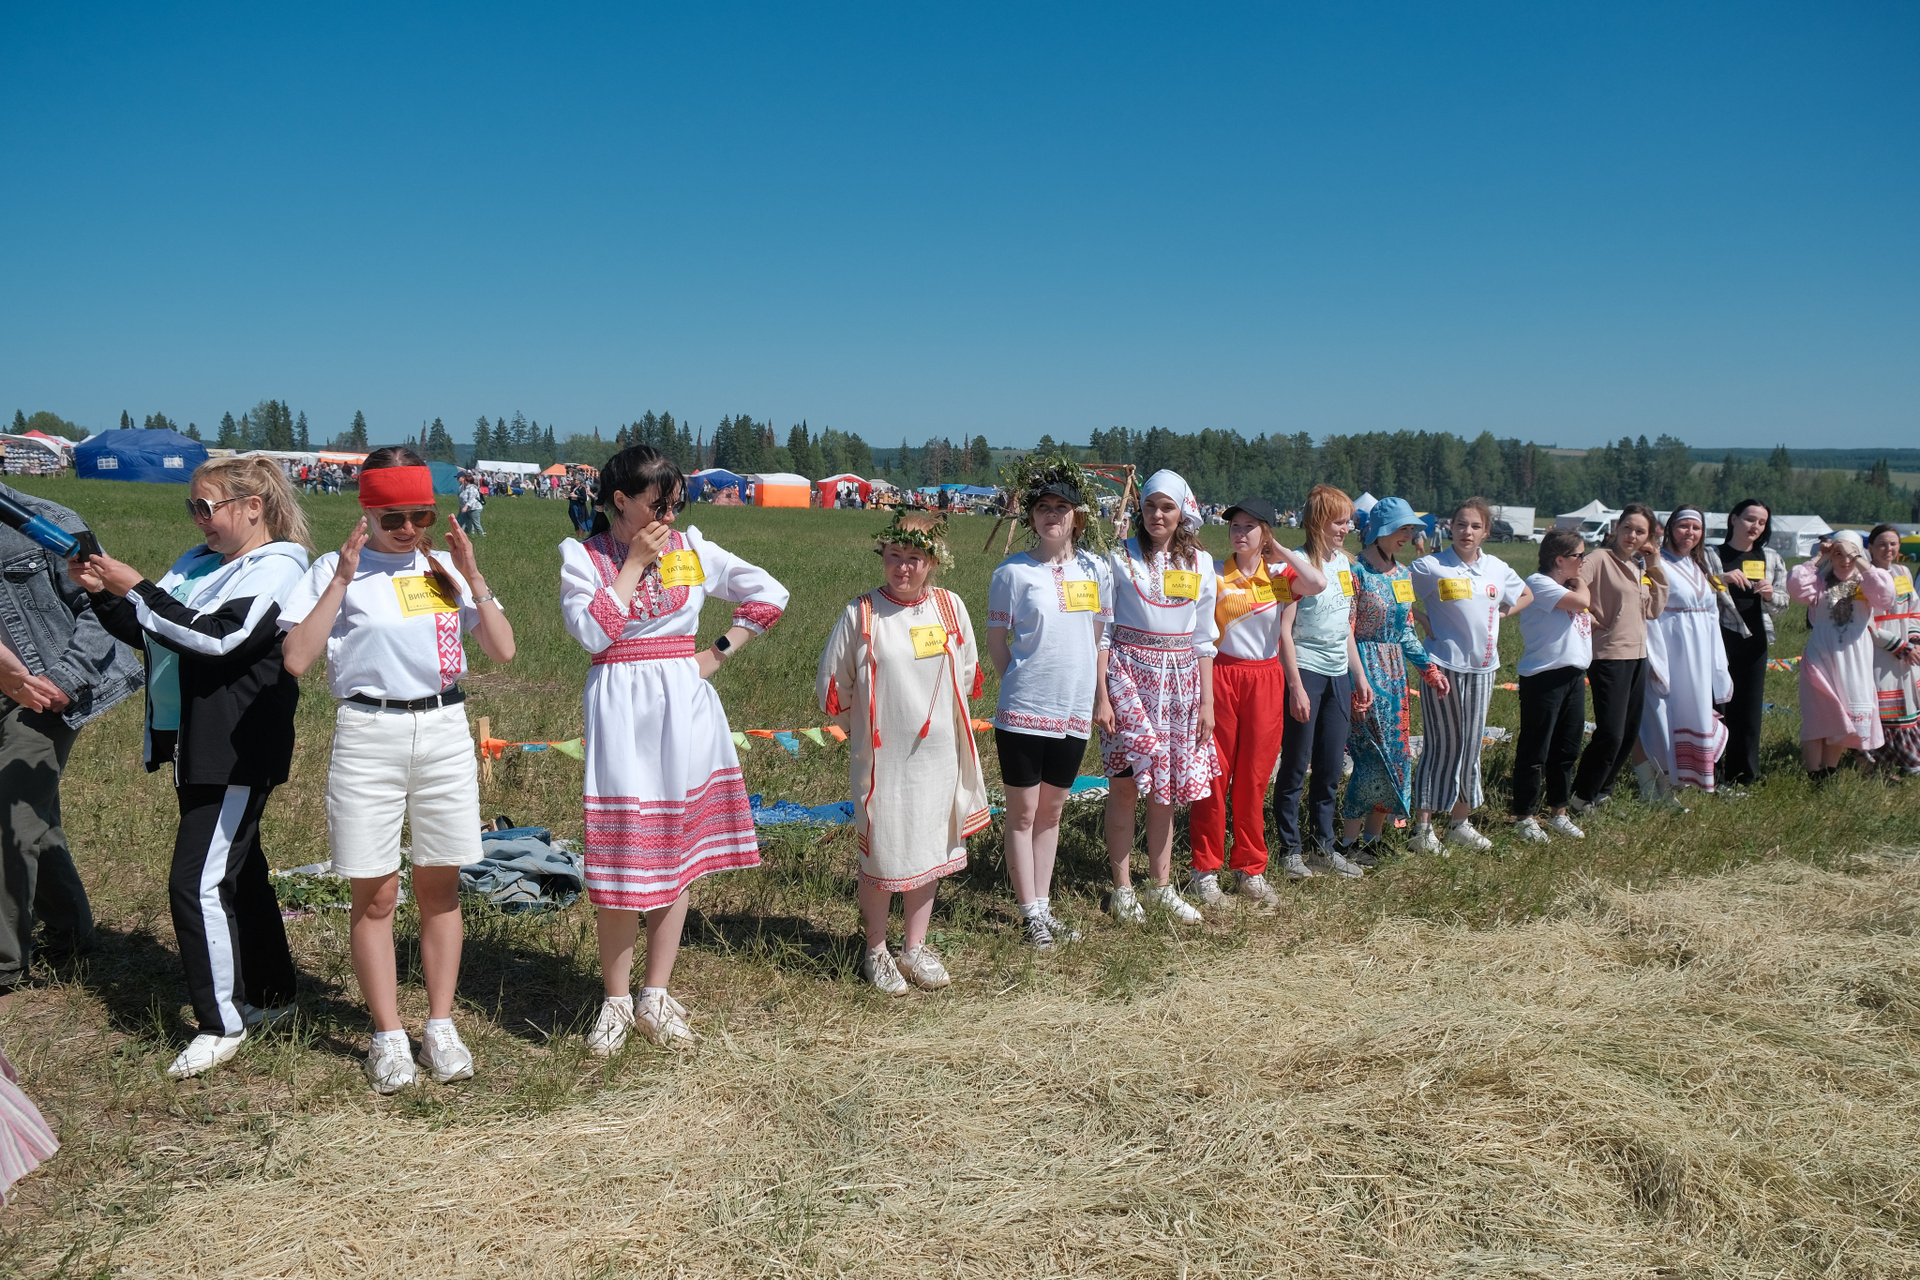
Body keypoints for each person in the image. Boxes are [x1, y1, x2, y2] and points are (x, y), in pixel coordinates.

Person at [280, 447, 515, 1092]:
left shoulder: (442, 569)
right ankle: (387, 1035)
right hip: (368, 733)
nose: (408, 529)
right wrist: (340, 580)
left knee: (441, 888)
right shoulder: (334, 570)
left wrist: (474, 575)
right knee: (377, 892)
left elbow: (501, 649)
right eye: (393, 518)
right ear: (367, 512)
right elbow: (296, 658)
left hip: (444, 730)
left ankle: (440, 1025)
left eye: (421, 515)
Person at [72, 457, 310, 1079]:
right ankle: (272, 994)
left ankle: (220, 1023)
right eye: (193, 507)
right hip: (195, 739)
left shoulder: (280, 565)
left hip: (236, 742)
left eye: (208, 507)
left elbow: (222, 639)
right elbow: (157, 630)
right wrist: (103, 593)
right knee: (240, 871)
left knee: (196, 883)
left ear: (253, 507)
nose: (199, 519)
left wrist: (137, 587)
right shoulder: (200, 561)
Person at [562, 446, 787, 1048]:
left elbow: (770, 592)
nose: (669, 516)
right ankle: (615, 1000)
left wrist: (715, 653)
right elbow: (591, 632)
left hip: (685, 708)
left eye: (675, 505)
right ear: (620, 501)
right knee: (621, 858)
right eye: (658, 505)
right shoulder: (584, 558)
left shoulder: (693, 549)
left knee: (676, 854)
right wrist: (633, 565)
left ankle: (655, 995)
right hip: (621, 712)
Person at [820, 513, 987, 990]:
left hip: (939, 755)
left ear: (932, 561)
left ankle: (915, 947)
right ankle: (875, 950)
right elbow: (833, 685)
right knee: (884, 850)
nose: (903, 567)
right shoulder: (862, 613)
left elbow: (968, 672)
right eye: (894, 556)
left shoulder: (950, 607)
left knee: (930, 844)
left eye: (914, 557)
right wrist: (864, 731)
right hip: (884, 758)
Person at [0, 482, 141, 992]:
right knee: (28, 813)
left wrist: (66, 678)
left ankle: (5, 964)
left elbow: (101, 606)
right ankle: (71, 932)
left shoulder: (46, 522)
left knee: (9, 816)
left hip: (44, 691)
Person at [985, 461, 1114, 950]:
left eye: (1061, 507)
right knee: (1022, 813)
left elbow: (1099, 640)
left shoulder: (1096, 570)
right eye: (1043, 507)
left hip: (1074, 710)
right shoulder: (1012, 573)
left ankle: (1044, 905)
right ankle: (1029, 915)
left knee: (1052, 812)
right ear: (1031, 517)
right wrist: (1021, 684)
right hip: (1023, 711)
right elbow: (997, 641)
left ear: (1077, 516)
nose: (1052, 515)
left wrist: (1099, 696)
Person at [1189, 496, 1326, 906]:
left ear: (1264, 532)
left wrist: (1278, 549)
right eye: (1235, 525)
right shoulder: (1215, 573)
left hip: (1265, 680)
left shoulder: (1279, 575)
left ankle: (1250, 869)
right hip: (1222, 676)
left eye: (1250, 526)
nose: (1240, 533)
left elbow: (1317, 583)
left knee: (1254, 779)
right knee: (1214, 777)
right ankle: (1204, 871)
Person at [1100, 471, 1218, 922]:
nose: (1157, 515)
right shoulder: (1118, 556)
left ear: (1182, 512)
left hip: (1180, 685)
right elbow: (1103, 630)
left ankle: (1161, 885)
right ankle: (1123, 888)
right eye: (1150, 506)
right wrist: (1103, 695)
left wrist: (1207, 702)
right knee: (1125, 786)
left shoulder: (1200, 564)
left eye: (1167, 507)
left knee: (1164, 790)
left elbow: (1204, 638)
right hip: (1128, 679)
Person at [1408, 498, 1529, 853]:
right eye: (1461, 524)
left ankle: (1460, 823)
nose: (1467, 532)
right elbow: (1394, 591)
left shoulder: (1496, 568)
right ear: (1451, 527)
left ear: (1486, 532)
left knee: (1472, 747)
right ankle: (1422, 830)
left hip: (1483, 669)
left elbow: (1526, 594)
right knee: (1442, 746)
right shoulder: (1431, 565)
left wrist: (1503, 613)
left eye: (1475, 526)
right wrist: (1421, 618)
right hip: (1442, 667)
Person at [1273, 484, 1373, 879]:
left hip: (1338, 675)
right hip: (1307, 671)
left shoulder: (1345, 565)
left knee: (1331, 766)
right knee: (1297, 764)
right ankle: (1290, 849)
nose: (1346, 528)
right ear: (1317, 522)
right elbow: (1284, 630)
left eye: (1348, 521)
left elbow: (1346, 626)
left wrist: (1358, 675)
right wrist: (1295, 685)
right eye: (1339, 521)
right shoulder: (1297, 564)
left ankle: (1324, 848)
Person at [1340, 498, 1444, 862]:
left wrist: (1429, 670)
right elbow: (1346, 628)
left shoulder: (1402, 575)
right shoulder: (1355, 570)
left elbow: (1406, 632)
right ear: (1381, 529)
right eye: (1402, 528)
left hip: (1396, 677)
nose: (1409, 536)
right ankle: (1347, 843)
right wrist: (1356, 680)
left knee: (1396, 758)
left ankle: (1373, 839)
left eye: (1412, 529)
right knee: (1370, 759)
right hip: (1362, 671)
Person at [1570, 505, 1670, 811]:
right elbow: (1570, 583)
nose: (1632, 536)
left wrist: (1654, 565)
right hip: (1608, 655)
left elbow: (1654, 610)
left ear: (1648, 537)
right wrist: (1587, 614)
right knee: (1611, 732)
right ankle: (1580, 796)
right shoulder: (1600, 559)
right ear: (1616, 527)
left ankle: (1602, 790)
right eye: (1627, 528)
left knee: (1628, 732)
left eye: (1640, 531)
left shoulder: (1639, 567)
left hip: (1637, 655)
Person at [1632, 508, 1732, 805]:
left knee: (1687, 715)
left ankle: (1673, 784)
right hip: (1668, 651)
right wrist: (1655, 659)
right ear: (1669, 529)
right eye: (1683, 526)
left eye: (1696, 528)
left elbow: (1712, 615)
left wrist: (1717, 662)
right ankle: (1651, 787)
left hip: (1697, 657)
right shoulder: (1653, 562)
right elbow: (1648, 613)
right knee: (1658, 718)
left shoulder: (1699, 564)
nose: (1690, 532)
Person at [1789, 529, 1894, 783]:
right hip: (1821, 656)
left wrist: (1857, 558)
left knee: (1844, 716)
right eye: (1838, 554)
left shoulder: (1867, 581)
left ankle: (1828, 774)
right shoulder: (1820, 581)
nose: (1845, 560)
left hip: (1854, 658)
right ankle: (1813, 774)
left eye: (1850, 554)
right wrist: (1819, 558)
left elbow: (1885, 596)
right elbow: (1796, 588)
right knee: (1817, 714)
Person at [1509, 529, 1594, 842]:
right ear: (1560, 560)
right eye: (1579, 555)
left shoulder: (1561, 586)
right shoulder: (1539, 583)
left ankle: (1559, 811)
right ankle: (1524, 816)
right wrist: (1581, 584)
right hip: (1544, 677)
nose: (1583, 561)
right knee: (1535, 749)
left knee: (1567, 748)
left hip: (1573, 675)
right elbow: (1582, 602)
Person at [1701, 499, 1787, 787]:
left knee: (1748, 711)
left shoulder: (1771, 557)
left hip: (1755, 642)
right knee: (1716, 707)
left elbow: (1783, 604)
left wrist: (1770, 595)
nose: (1756, 526)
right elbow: (1694, 591)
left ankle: (1743, 776)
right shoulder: (1710, 554)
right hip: (1718, 639)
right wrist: (1721, 580)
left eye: (1762, 522)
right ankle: (1710, 773)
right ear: (1734, 519)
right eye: (1750, 519)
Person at [1866, 524, 1920, 775]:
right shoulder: (1864, 576)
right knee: (1888, 704)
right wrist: (1900, 646)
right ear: (1870, 547)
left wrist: (1914, 640)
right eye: (1882, 544)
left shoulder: (1902, 572)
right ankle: (1882, 758)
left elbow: (1914, 608)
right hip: (1880, 651)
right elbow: (1867, 623)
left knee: (1910, 700)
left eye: (1893, 544)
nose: (1888, 549)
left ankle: (1907, 755)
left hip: (1909, 649)